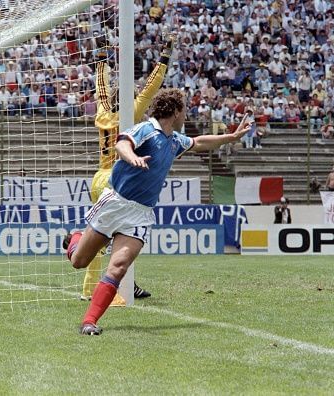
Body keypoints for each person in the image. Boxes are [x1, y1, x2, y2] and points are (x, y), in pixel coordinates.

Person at [64, 89, 252, 335]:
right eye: (184, 110)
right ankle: (76, 239)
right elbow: (122, 144)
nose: (186, 114)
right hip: (115, 202)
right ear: (174, 112)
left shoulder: (174, 140)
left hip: (140, 213)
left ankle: (89, 322)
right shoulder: (147, 129)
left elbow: (199, 143)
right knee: (79, 261)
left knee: (118, 267)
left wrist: (231, 137)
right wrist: (132, 157)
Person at [78, 34, 175, 303]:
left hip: (98, 176)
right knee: (124, 235)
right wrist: (165, 56)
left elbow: (101, 88)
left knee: (99, 235)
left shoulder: (103, 112)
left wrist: (101, 58)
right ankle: (119, 289)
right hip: (117, 180)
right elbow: (152, 87)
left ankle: (91, 287)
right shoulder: (131, 114)